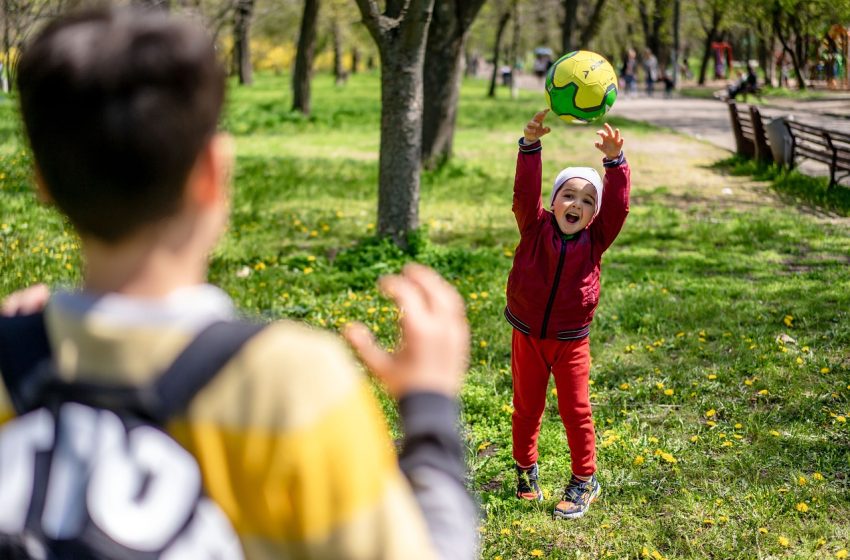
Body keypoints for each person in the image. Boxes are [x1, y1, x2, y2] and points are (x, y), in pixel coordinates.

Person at [3, 7, 477, 559]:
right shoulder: (289, 383)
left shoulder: (11, 360)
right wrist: (429, 411)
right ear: (212, 173)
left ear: (41, 182)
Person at [505, 109, 630, 520]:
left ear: (595, 215)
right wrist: (530, 147)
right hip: (527, 336)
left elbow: (618, 207)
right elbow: (524, 193)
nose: (576, 203)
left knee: (576, 410)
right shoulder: (533, 226)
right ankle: (526, 470)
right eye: (569, 195)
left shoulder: (596, 239)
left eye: (587, 200)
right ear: (554, 201)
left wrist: (614, 164)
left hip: (571, 341)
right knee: (527, 408)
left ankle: (584, 480)